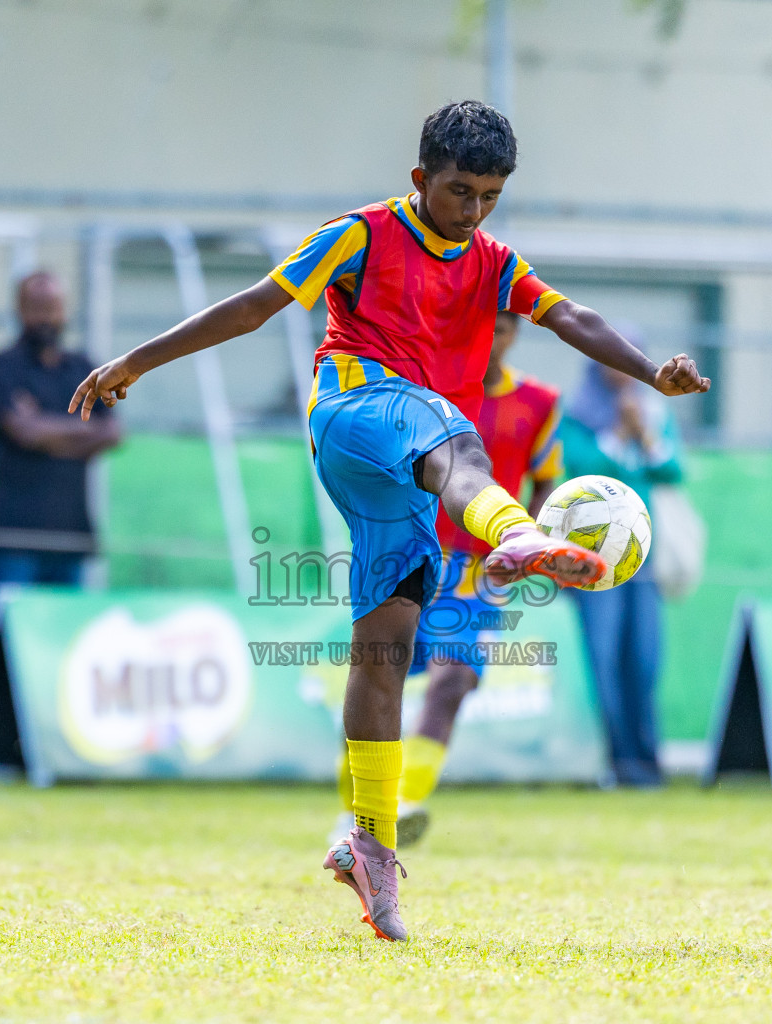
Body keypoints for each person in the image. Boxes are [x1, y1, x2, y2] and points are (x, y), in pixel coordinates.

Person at [69, 100, 709, 942]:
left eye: (488, 194)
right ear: (420, 180)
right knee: (452, 436)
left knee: (385, 646)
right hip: (353, 410)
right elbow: (258, 303)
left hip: (407, 468)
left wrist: (649, 373)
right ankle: (515, 531)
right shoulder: (362, 234)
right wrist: (137, 360)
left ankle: (369, 844)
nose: (472, 209)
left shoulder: (494, 260)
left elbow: (573, 318)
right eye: (458, 191)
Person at [330, 309, 564, 848]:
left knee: (453, 679)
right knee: (375, 676)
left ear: (513, 335)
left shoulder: (540, 403)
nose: (489, 338)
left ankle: (408, 800)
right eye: (478, 327)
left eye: (500, 329)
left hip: (478, 572)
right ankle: (356, 811)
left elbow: (546, 480)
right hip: (408, 555)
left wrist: (522, 548)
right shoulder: (416, 396)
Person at [560, 356, 682, 788]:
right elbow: (582, 471)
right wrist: (617, 434)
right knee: (602, 657)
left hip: (640, 557)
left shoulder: (652, 413)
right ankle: (612, 760)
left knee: (644, 658)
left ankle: (645, 760)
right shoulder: (577, 415)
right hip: (592, 558)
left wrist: (643, 432)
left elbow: (672, 469)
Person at [0, 271, 121, 595]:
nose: (46, 317)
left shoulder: (84, 367)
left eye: (53, 307)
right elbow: (24, 433)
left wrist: (45, 430)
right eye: (37, 307)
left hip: (70, 536)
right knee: (5, 637)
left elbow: (113, 432)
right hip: (14, 536)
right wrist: (83, 434)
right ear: (20, 310)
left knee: (65, 640)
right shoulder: (2, 366)